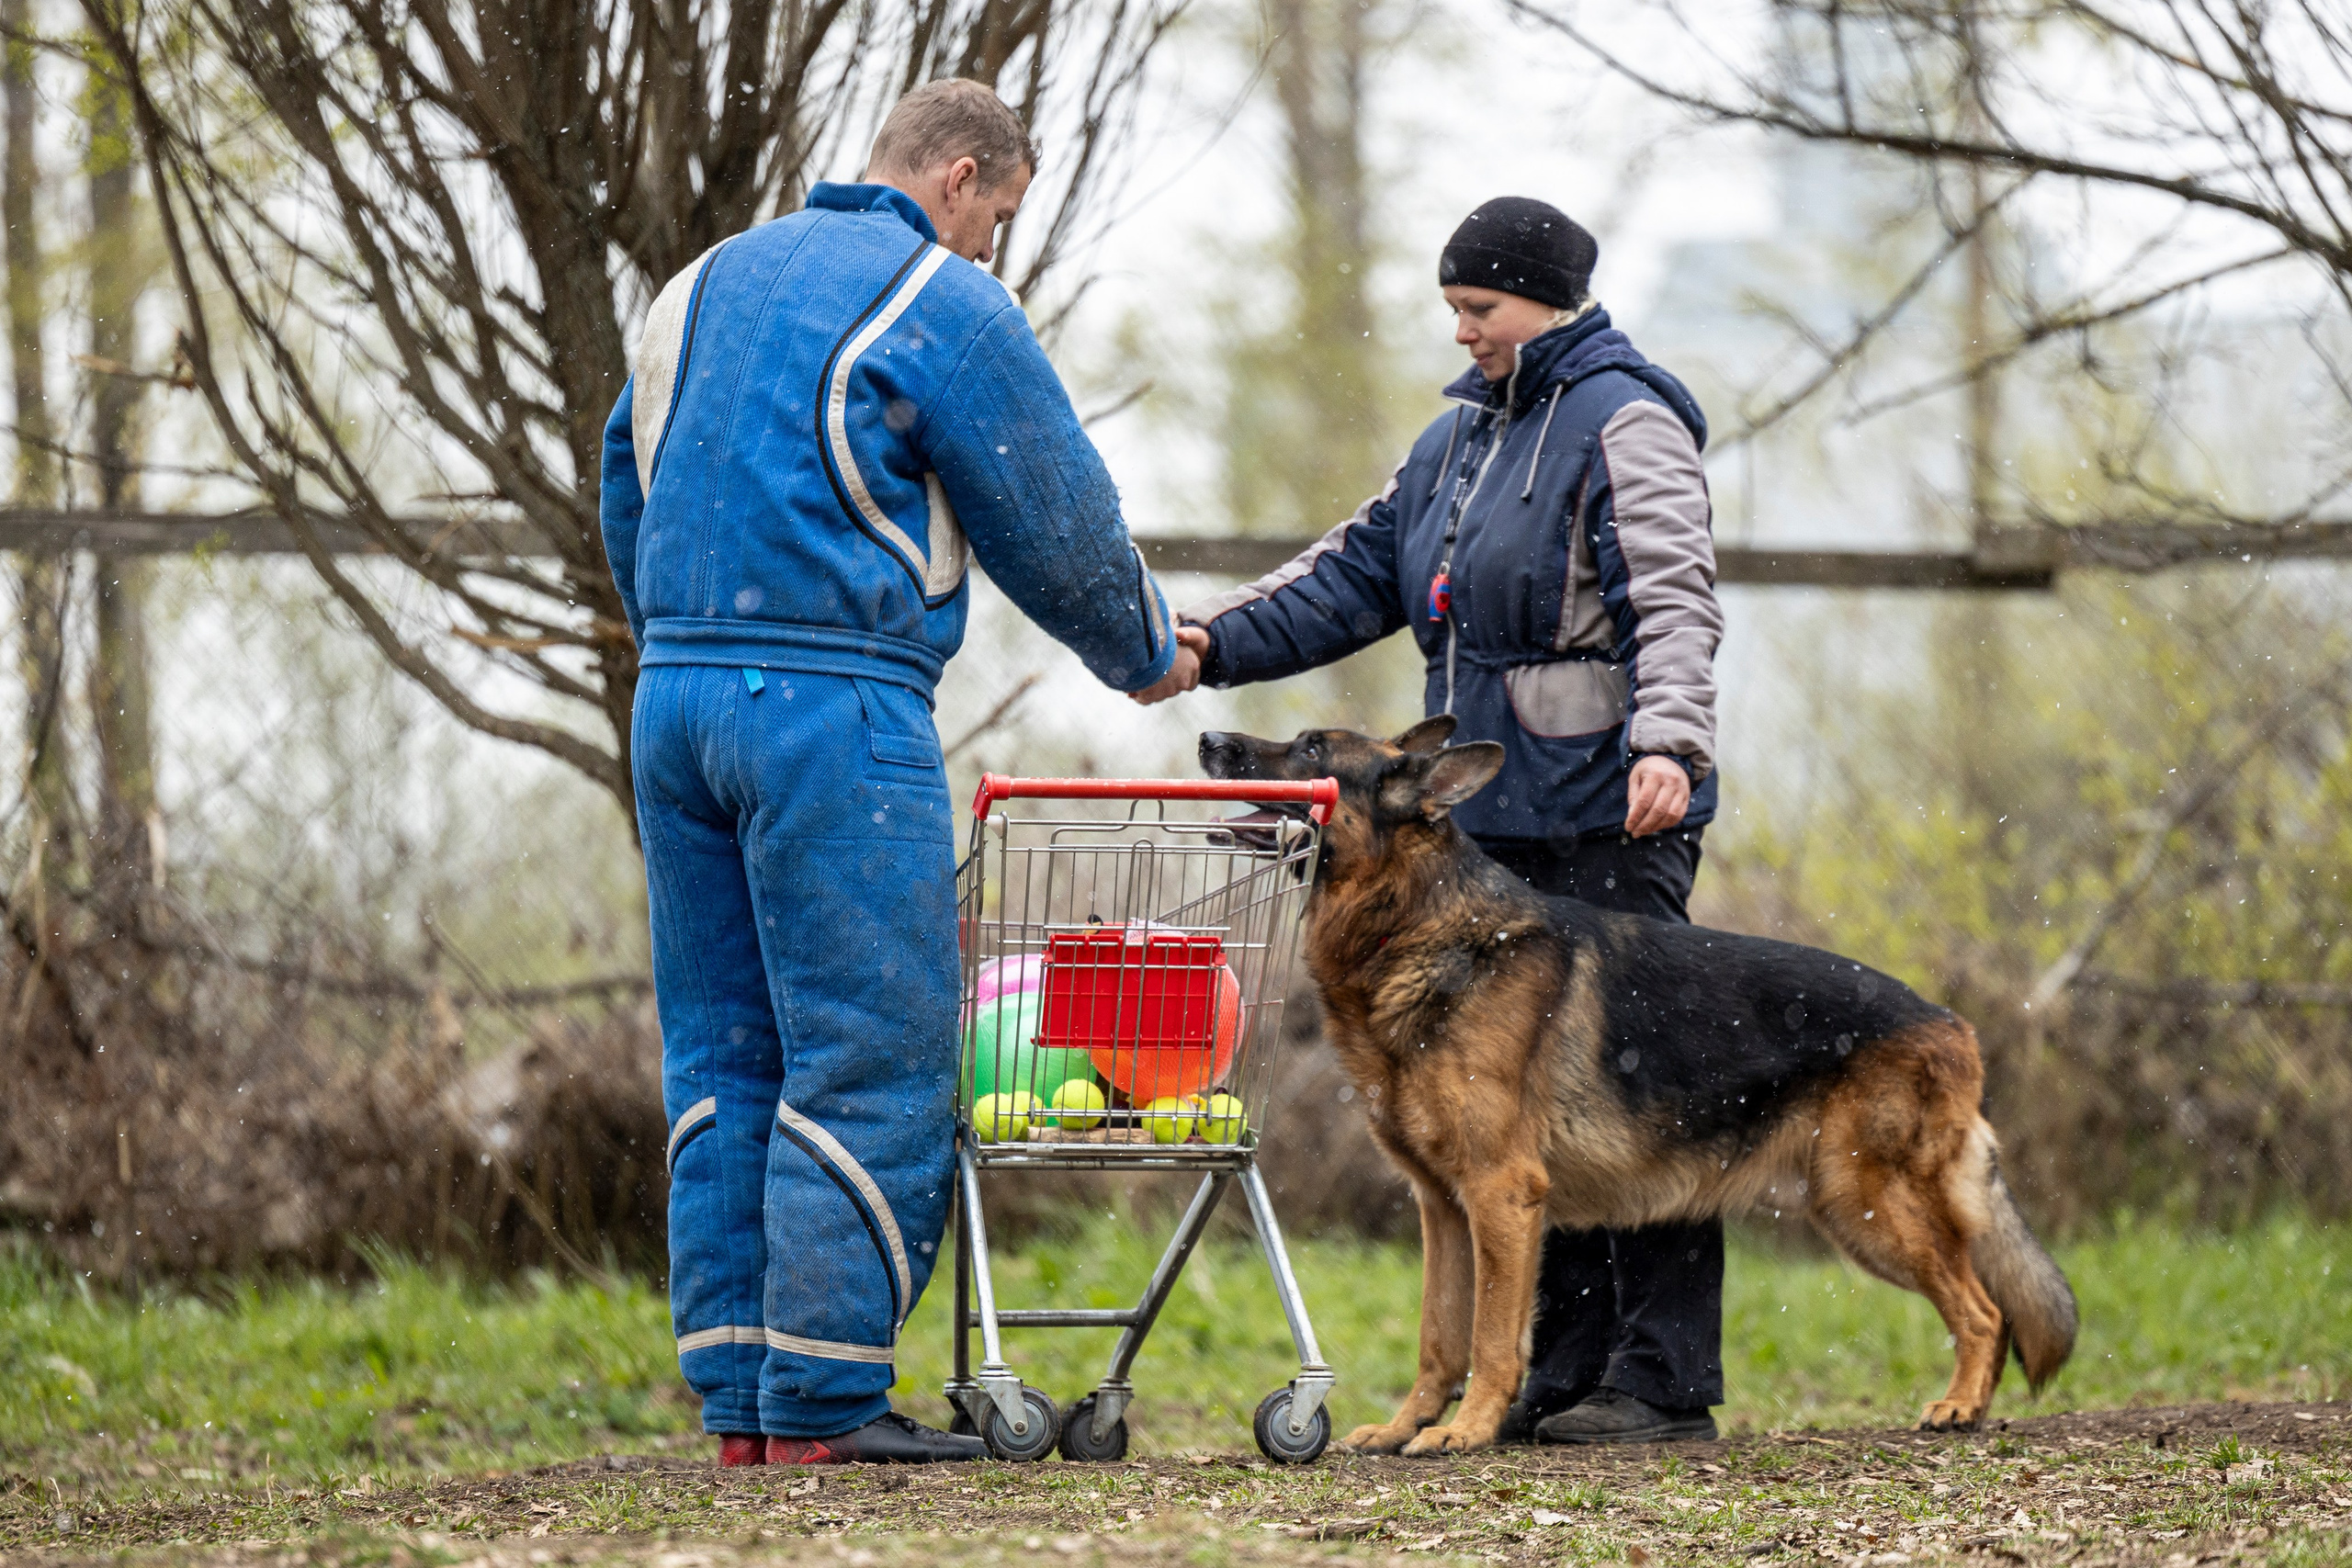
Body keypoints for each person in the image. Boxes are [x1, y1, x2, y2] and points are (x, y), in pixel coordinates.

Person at [600, 79, 1177, 1466]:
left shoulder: (701, 285)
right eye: (999, 217)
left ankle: (741, 1396)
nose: (994, 248)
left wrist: (682, 641)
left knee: (723, 1050)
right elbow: (1053, 509)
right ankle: (824, 1401)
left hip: (673, 702)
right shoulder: (941, 298)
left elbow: (627, 478)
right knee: (872, 1046)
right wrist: (1142, 647)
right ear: (963, 175)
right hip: (832, 708)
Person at [1136, 197, 1725, 1446]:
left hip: (1614, 811)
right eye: (1454, 309)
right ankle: (1551, 1374)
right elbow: (1352, 574)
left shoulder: (1628, 420)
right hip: (1486, 828)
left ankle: (1662, 1379)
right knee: (1517, 1118)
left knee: (1640, 1085)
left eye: (1481, 309)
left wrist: (1671, 741)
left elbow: (1675, 599)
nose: (1462, 331)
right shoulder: (1454, 442)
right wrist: (1215, 641)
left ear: (1549, 301)